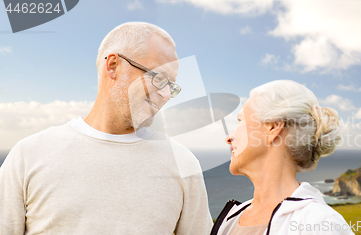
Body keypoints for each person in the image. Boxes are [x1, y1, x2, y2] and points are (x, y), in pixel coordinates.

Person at [0, 22, 212, 234]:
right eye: (158, 78)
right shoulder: (28, 155)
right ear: (112, 66)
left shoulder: (184, 164)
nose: (166, 95)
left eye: (171, 86)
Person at [211, 80, 355, 235]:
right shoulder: (230, 220)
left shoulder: (320, 224)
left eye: (241, 120)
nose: (228, 138)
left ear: (273, 127)